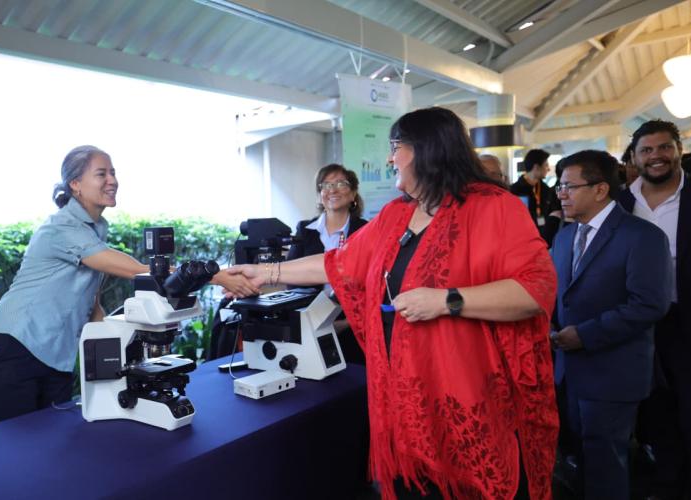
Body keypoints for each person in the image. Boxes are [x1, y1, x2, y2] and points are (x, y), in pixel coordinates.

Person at [228, 107, 559, 500]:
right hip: (405, 401)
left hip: (470, 395)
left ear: (427, 149)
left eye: (396, 147)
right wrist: (264, 273)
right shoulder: (396, 215)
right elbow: (339, 263)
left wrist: (447, 300)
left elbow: (534, 291)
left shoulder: (493, 207)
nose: (389, 158)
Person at [0, 145, 256, 423]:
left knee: (52, 441)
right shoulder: (62, 228)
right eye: (101, 174)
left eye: (113, 172)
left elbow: (91, 299)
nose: (112, 180)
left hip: (54, 356)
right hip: (13, 346)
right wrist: (214, 275)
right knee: (15, 446)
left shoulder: (94, 229)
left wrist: (110, 348)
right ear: (75, 184)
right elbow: (137, 269)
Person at [550, 150, 672, 500]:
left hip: (613, 372)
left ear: (601, 189)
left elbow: (649, 304)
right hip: (567, 371)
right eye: (560, 186)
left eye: (569, 187)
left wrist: (585, 335)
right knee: (580, 462)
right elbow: (558, 295)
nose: (561, 194)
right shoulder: (564, 236)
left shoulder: (642, 237)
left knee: (607, 467)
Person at [618, 120, 691, 500]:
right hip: (636, 325)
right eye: (647, 150)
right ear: (635, 158)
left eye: (664, 147)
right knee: (655, 413)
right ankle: (669, 484)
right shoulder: (620, 204)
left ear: (680, 149)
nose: (657, 156)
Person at [286, 163, 367, 364]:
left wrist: (348, 322)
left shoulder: (367, 230)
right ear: (320, 194)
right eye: (326, 185)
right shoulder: (305, 229)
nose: (333, 190)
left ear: (353, 193)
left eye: (341, 183)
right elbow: (292, 278)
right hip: (312, 324)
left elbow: (373, 281)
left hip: (354, 326)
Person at [510, 149, 562, 246]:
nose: (548, 169)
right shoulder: (514, 191)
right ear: (536, 167)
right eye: (546, 165)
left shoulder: (546, 190)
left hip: (544, 239)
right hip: (522, 240)